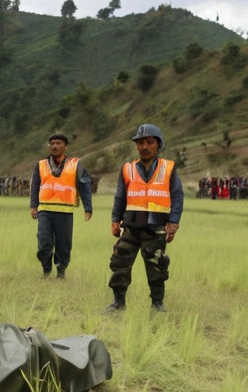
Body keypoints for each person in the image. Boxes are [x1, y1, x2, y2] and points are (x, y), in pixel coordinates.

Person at [106, 124, 183, 312]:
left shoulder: (169, 168)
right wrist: (115, 220)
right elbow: (120, 196)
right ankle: (118, 303)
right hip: (131, 227)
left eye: (150, 142)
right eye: (140, 143)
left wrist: (173, 222)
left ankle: (157, 304)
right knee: (120, 264)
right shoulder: (127, 169)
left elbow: (177, 196)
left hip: (156, 228)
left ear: (158, 145)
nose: (144, 147)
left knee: (157, 266)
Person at [29, 132, 93, 278]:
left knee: (64, 246)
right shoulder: (41, 165)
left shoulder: (75, 164)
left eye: (58, 144)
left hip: (65, 211)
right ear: (48, 146)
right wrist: (34, 206)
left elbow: (84, 185)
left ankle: (61, 272)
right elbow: (35, 185)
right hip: (44, 210)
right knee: (44, 243)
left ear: (65, 146)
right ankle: (46, 270)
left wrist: (88, 208)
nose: (55, 146)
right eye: (52, 144)